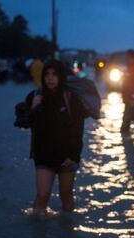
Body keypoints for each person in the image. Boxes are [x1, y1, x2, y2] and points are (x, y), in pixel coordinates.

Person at [25, 60, 86, 214]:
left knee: (66, 196)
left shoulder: (71, 98)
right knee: (42, 195)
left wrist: (73, 156)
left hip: (67, 157)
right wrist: (33, 107)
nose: (50, 78)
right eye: (47, 74)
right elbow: (23, 123)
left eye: (54, 75)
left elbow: (78, 130)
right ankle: (38, 234)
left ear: (61, 77)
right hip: (44, 155)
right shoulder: (35, 96)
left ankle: (67, 231)